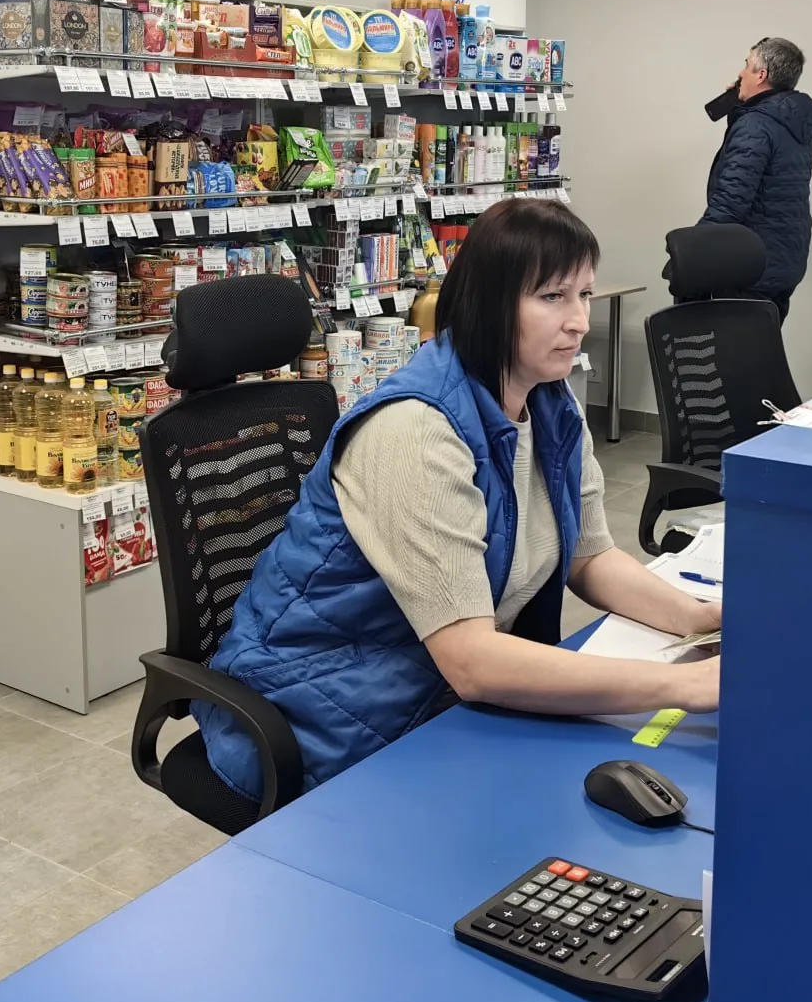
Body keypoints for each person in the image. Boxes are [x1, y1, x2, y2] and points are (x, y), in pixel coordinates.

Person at [195, 200, 722, 802]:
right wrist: (682, 686)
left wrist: (697, 619)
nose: (579, 321)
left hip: (431, 687)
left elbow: (588, 556)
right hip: (325, 712)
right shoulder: (415, 430)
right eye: (553, 297)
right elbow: (472, 663)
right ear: (488, 303)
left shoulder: (550, 402)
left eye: (584, 294)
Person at [699, 37, 812, 324]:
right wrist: (739, 109)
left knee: (735, 349)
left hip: (750, 266)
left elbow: (731, 199)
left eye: (747, 65)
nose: (740, 73)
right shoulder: (792, 122)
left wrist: (694, 250)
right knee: (763, 346)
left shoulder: (755, 125)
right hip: (783, 261)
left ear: (761, 75)